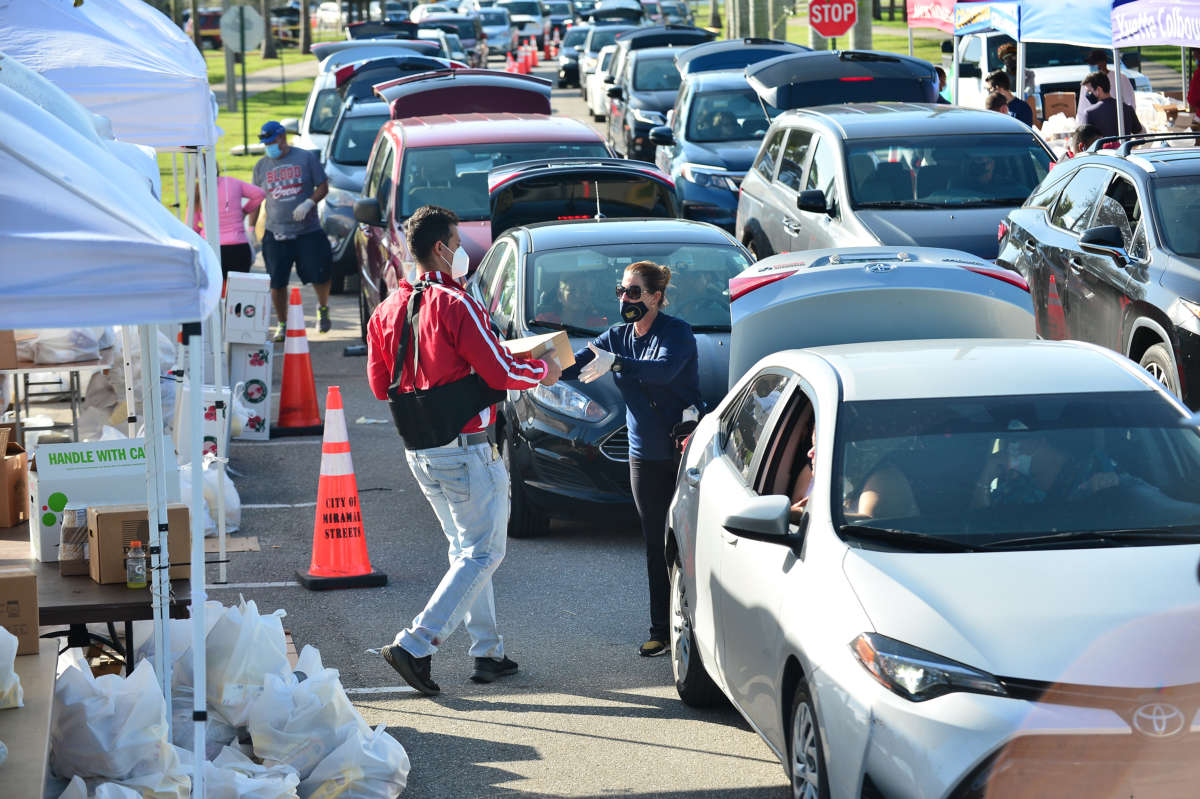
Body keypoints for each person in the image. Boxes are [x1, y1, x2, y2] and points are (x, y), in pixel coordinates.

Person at [367, 205, 562, 696]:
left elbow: (377, 385)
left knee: (466, 550)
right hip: (467, 446)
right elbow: (500, 372)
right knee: (483, 551)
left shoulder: (385, 310)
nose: (462, 252)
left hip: (421, 449)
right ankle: (416, 643)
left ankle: (488, 652)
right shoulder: (457, 304)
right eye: (457, 243)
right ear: (441, 248)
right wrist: (544, 371)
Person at [561, 261, 701, 658]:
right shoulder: (618, 336)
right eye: (621, 291)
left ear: (656, 297)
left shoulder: (677, 333)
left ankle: (703, 625)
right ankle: (662, 629)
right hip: (643, 455)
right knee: (655, 542)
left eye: (634, 292)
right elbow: (578, 363)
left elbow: (665, 371)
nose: (625, 299)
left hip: (682, 453)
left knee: (690, 542)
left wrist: (617, 362)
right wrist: (536, 367)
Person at [252, 120, 333, 342]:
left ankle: (323, 307)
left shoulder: (305, 158)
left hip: (307, 230)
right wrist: (251, 227)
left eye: (272, 141)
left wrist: (309, 203)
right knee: (277, 282)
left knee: (319, 272)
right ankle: (282, 323)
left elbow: (323, 186)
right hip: (276, 232)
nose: (269, 146)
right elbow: (257, 199)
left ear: (282, 138)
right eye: (265, 143)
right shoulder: (261, 166)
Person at [193, 172, 265, 280]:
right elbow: (259, 194)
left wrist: (203, 231)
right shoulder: (232, 182)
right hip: (238, 247)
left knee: (215, 293)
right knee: (238, 293)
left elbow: (192, 226)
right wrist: (244, 211)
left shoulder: (197, 191)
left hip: (211, 248)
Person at [1077, 73, 1144, 139]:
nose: (1088, 95)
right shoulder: (1128, 109)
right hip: (1124, 149)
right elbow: (1140, 134)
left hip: (1100, 150)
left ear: (1099, 89)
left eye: (1089, 91)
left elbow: (1083, 141)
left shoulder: (1089, 113)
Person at [1077, 48, 1136, 117]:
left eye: (1094, 63)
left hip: (1118, 120)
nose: (1091, 66)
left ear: (1103, 63)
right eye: (1090, 64)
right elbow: (1082, 108)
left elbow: (1130, 103)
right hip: (1095, 121)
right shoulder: (1087, 82)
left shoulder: (1120, 78)